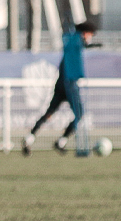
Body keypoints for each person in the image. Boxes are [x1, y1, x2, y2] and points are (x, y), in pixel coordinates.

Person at [22, 20, 98, 154]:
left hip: (61, 83)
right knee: (79, 114)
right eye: (90, 34)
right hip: (69, 84)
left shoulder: (72, 42)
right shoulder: (75, 41)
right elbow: (78, 43)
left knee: (49, 112)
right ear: (85, 33)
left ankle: (29, 138)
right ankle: (61, 141)